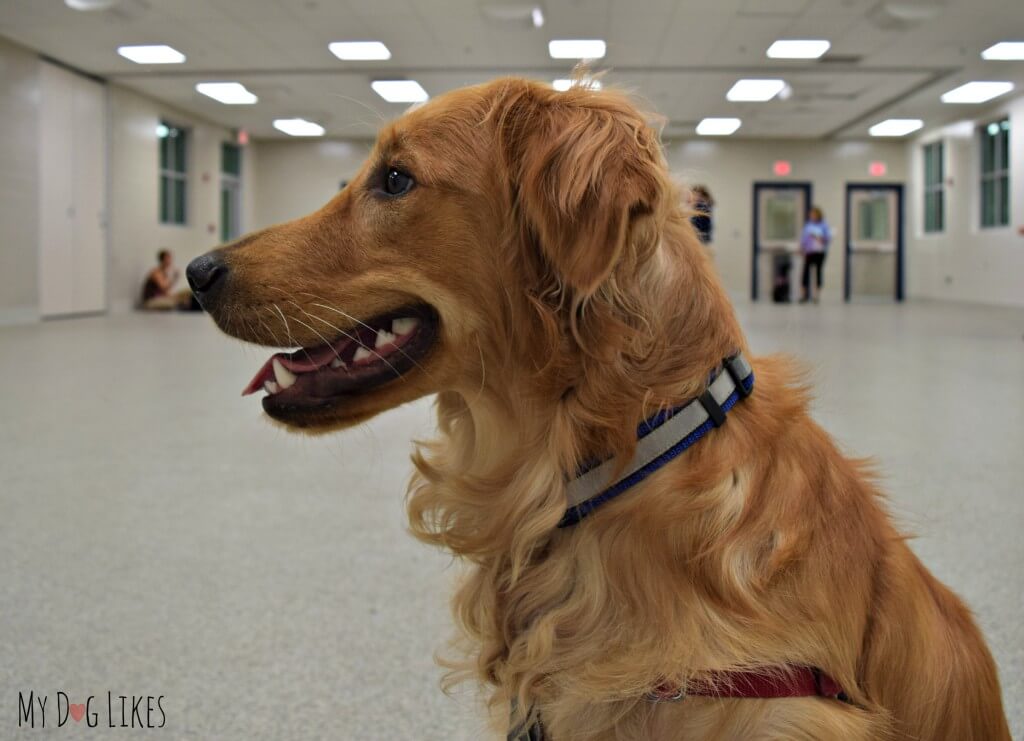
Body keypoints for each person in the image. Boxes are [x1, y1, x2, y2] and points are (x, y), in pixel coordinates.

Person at [799, 206, 831, 303]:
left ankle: (816, 296)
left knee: (818, 272)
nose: (812, 216)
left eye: (814, 214)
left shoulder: (824, 225)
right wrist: (802, 247)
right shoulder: (808, 225)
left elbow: (827, 238)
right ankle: (804, 295)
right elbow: (804, 237)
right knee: (805, 272)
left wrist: (820, 238)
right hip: (809, 251)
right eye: (811, 214)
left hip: (820, 251)